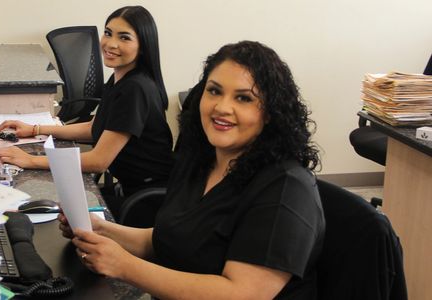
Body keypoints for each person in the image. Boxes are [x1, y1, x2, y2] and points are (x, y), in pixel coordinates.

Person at [58, 41, 325, 299]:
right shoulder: (202, 161)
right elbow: (169, 240)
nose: (222, 107)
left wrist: (124, 266)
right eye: (214, 91)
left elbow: (242, 293)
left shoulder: (286, 188)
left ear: (270, 113)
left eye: (243, 98)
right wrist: (99, 231)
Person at [0, 6, 173, 218]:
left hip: (145, 203)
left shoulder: (136, 89)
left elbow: (99, 161)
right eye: (108, 33)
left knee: (56, 220)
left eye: (124, 38)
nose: (111, 43)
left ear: (143, 46)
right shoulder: (121, 78)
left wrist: (30, 160)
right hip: (130, 190)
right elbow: (94, 128)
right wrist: (35, 129)